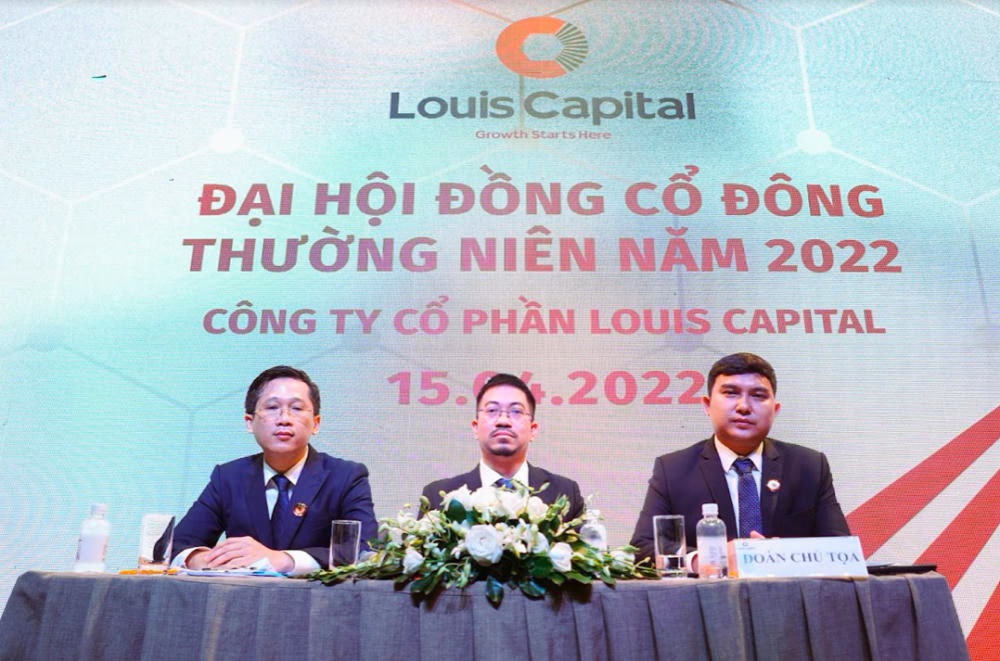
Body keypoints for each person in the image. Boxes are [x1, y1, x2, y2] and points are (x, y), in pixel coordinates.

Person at [630, 352, 849, 561]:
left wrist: (779, 555)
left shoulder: (809, 466)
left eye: (758, 396)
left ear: (775, 409)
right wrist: (708, 558)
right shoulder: (673, 469)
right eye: (731, 393)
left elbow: (841, 550)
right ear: (707, 405)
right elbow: (643, 547)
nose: (743, 406)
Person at [170, 365, 378, 574]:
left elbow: (366, 551)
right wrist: (204, 560)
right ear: (249, 422)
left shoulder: (345, 476)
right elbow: (175, 545)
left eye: (297, 408)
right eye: (271, 407)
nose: (284, 419)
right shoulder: (229, 477)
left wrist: (284, 560)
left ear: (316, 423)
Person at [421, 373, 585, 520]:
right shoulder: (438, 496)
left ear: (533, 429)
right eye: (492, 410)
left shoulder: (565, 493)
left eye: (516, 411)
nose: (503, 421)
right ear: (475, 428)